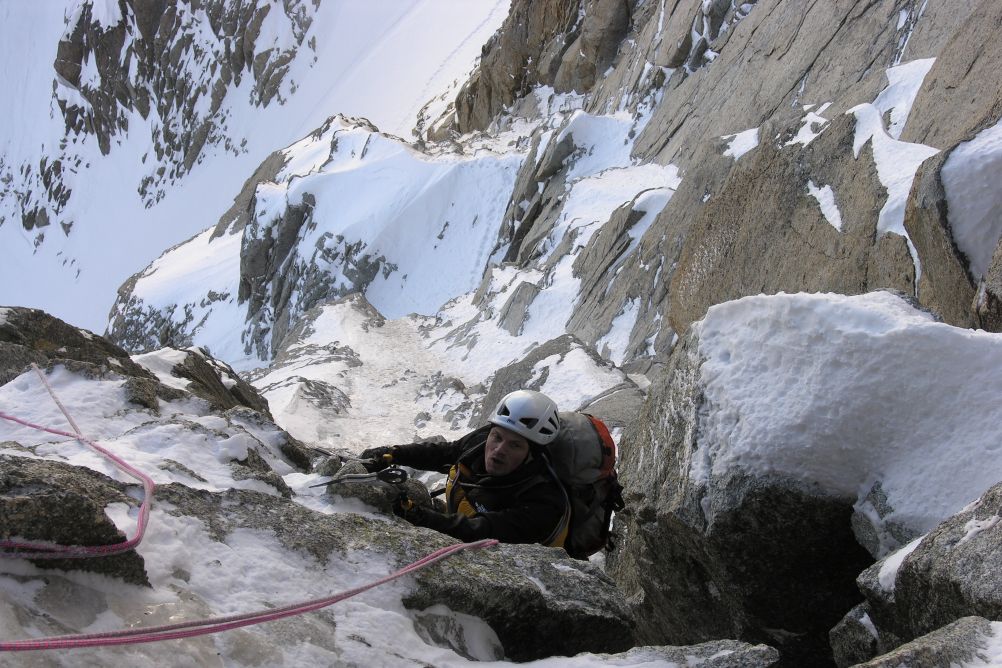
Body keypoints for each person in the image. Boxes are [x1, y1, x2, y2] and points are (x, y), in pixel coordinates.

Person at [360, 390, 570, 547]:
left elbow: (483, 530)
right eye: (497, 437)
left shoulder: (544, 499)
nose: (499, 450)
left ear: (532, 454)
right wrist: (394, 453)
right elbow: (445, 453)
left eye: (515, 445)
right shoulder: (479, 442)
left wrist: (421, 516)